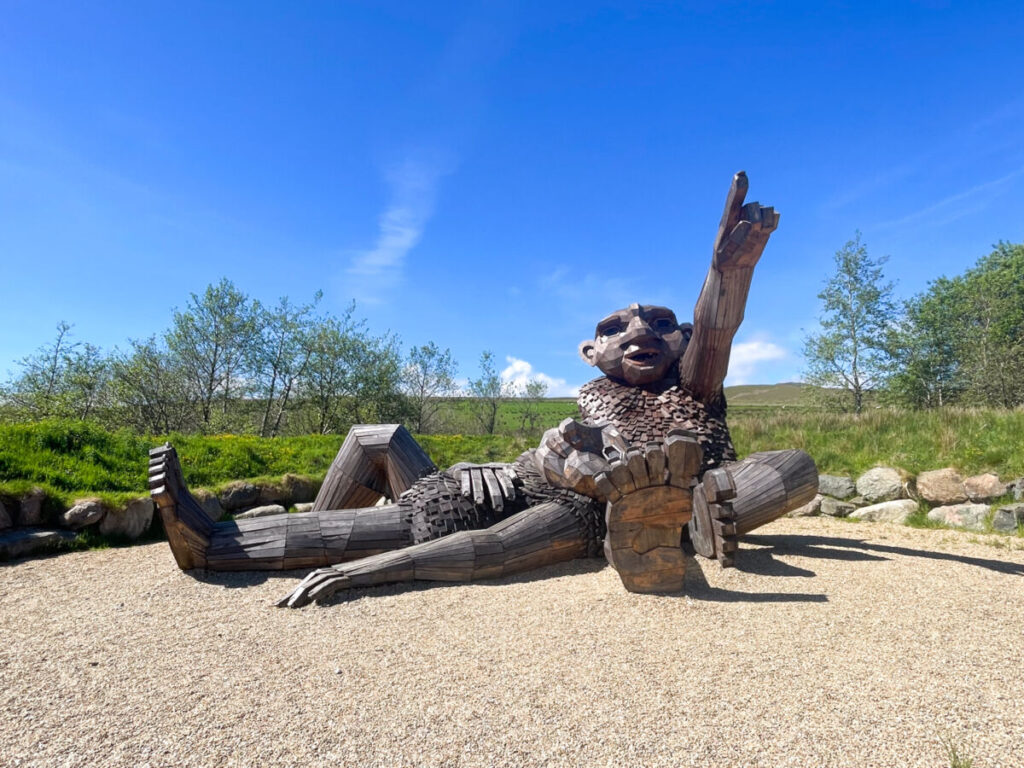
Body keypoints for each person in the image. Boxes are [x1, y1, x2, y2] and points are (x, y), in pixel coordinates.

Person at [149, 172, 817, 607]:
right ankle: (294, 537)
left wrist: (726, 271)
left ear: (681, 342)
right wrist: (480, 467)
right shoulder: (590, 404)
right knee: (379, 450)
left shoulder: (694, 388)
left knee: (787, 468)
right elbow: (556, 461)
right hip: (525, 486)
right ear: (592, 354)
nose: (642, 329)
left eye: (662, 324)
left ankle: (241, 544)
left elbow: (719, 334)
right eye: (618, 327)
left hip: (586, 507)